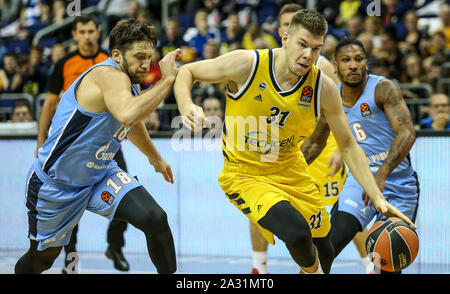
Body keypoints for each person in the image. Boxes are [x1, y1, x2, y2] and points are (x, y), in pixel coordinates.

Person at [174, 9, 415, 274]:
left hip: (292, 170)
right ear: (285, 37)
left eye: (316, 49)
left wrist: (377, 197)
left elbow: (347, 145)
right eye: (302, 45)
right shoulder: (247, 64)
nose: (308, 56)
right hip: (246, 175)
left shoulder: (323, 87)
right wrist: (186, 105)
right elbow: (187, 71)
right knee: (299, 235)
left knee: (326, 252)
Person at [14, 18, 181, 274]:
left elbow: (132, 122)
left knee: (155, 219)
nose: (146, 64)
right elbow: (127, 114)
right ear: (116, 54)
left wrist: (154, 157)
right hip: (56, 184)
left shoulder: (127, 80)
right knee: (43, 260)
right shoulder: (107, 75)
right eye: (139, 56)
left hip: (100, 175)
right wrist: (168, 80)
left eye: (149, 56)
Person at [247, 3, 372, 274]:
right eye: (288, 23)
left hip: (321, 149)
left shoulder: (322, 67)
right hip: (280, 150)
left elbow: (343, 109)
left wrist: (341, 149)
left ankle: (369, 266)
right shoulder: (261, 63)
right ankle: (259, 268)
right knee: (259, 207)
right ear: (284, 32)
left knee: (340, 214)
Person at [34, 15, 128, 273]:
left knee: (126, 191)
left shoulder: (112, 63)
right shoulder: (64, 63)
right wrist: (41, 141)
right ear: (75, 35)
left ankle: (115, 246)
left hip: (107, 146)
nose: (87, 36)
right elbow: (49, 105)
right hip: (72, 147)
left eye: (91, 31)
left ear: (99, 33)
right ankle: (70, 261)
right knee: (70, 205)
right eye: (82, 31)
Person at [329, 37, 419, 274]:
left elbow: (407, 133)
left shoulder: (383, 88)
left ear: (366, 62)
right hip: (359, 183)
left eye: (359, 59)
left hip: (399, 185)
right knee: (328, 246)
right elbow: (314, 143)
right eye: (346, 60)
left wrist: (382, 173)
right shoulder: (332, 97)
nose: (353, 65)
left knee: (390, 262)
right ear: (335, 65)